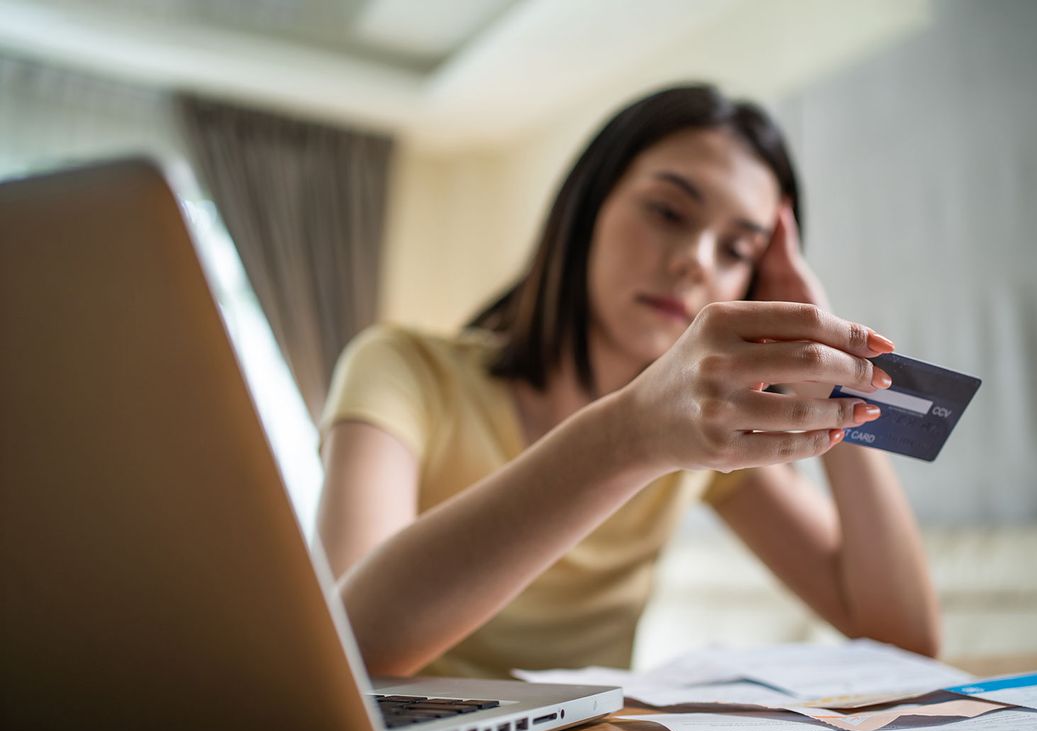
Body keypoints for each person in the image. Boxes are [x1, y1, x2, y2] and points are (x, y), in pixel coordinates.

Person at [317, 84, 939, 680]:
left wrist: (834, 381)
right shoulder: (401, 370)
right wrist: (629, 436)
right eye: (668, 211)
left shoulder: (702, 441)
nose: (695, 259)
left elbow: (903, 641)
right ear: (586, 211)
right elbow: (345, 649)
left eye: (737, 251)